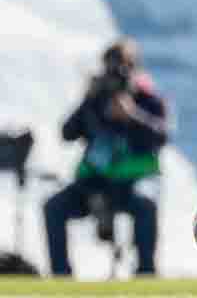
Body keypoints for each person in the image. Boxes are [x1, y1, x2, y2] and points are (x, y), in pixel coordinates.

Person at [44, 38, 171, 276]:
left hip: (133, 183)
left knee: (146, 204)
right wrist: (88, 100)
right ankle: (60, 274)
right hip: (94, 184)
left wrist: (132, 116)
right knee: (54, 207)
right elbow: (67, 133)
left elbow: (162, 137)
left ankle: (146, 272)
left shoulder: (148, 100)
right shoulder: (95, 100)